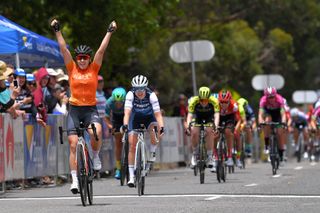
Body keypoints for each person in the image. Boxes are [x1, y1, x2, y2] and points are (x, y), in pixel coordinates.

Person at [51, 17, 117, 194]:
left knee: (97, 133)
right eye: (79, 57)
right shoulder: (71, 68)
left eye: (84, 58)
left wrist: (109, 32)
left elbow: (101, 51)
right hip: (74, 110)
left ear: (89, 59)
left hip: (90, 109)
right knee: (73, 144)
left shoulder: (94, 69)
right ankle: (74, 180)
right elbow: (63, 49)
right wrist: (57, 30)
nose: (81, 60)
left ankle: (95, 156)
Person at [121, 75, 164, 187]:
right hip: (135, 118)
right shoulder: (130, 95)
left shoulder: (152, 95)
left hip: (149, 117)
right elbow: (127, 112)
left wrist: (162, 126)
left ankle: (152, 152)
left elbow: (158, 114)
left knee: (155, 131)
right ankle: (131, 176)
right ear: (133, 88)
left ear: (145, 87)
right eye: (136, 89)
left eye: (142, 89)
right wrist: (125, 125)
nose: (139, 92)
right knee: (132, 145)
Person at [185, 86, 220, 172]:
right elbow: (189, 116)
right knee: (194, 132)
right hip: (198, 117)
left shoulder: (214, 101)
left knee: (209, 131)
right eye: (201, 100)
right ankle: (195, 154)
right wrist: (188, 127)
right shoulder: (193, 101)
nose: (204, 103)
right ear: (199, 98)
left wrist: (215, 126)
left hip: (209, 117)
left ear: (209, 98)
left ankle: (209, 156)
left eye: (206, 100)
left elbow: (216, 115)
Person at [258, 86, 287, 166]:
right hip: (268, 113)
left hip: (278, 115)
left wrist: (283, 122)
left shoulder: (279, 99)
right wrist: (260, 123)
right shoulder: (263, 100)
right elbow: (260, 114)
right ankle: (267, 145)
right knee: (267, 121)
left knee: (279, 133)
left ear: (275, 95)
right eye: (269, 97)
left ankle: (281, 155)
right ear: (266, 97)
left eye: (273, 97)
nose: (271, 99)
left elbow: (283, 114)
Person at [217, 90, 242, 168]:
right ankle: (215, 157)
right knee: (214, 134)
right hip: (219, 118)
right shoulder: (216, 105)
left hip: (230, 118)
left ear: (230, 101)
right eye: (222, 102)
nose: (223, 104)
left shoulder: (234, 105)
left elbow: (239, 120)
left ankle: (234, 158)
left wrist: (235, 129)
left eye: (226, 102)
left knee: (232, 134)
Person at [105, 87, 126, 179]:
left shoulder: (129, 101)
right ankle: (118, 168)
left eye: (121, 102)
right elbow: (106, 118)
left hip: (127, 115)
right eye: (116, 102)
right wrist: (111, 127)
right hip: (116, 118)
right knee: (118, 143)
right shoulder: (109, 102)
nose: (118, 104)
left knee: (132, 136)